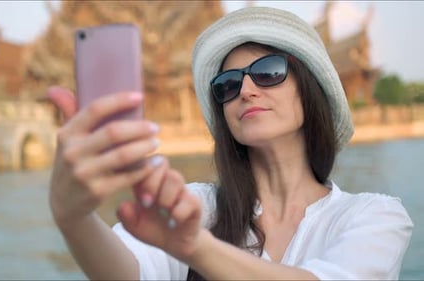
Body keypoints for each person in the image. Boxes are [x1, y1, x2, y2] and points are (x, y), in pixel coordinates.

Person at [47, 6, 413, 280]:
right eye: (228, 84)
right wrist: (72, 216)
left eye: (268, 72)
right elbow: (128, 271)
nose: (247, 91)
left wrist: (196, 248)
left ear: (309, 90)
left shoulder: (373, 216)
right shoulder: (197, 208)